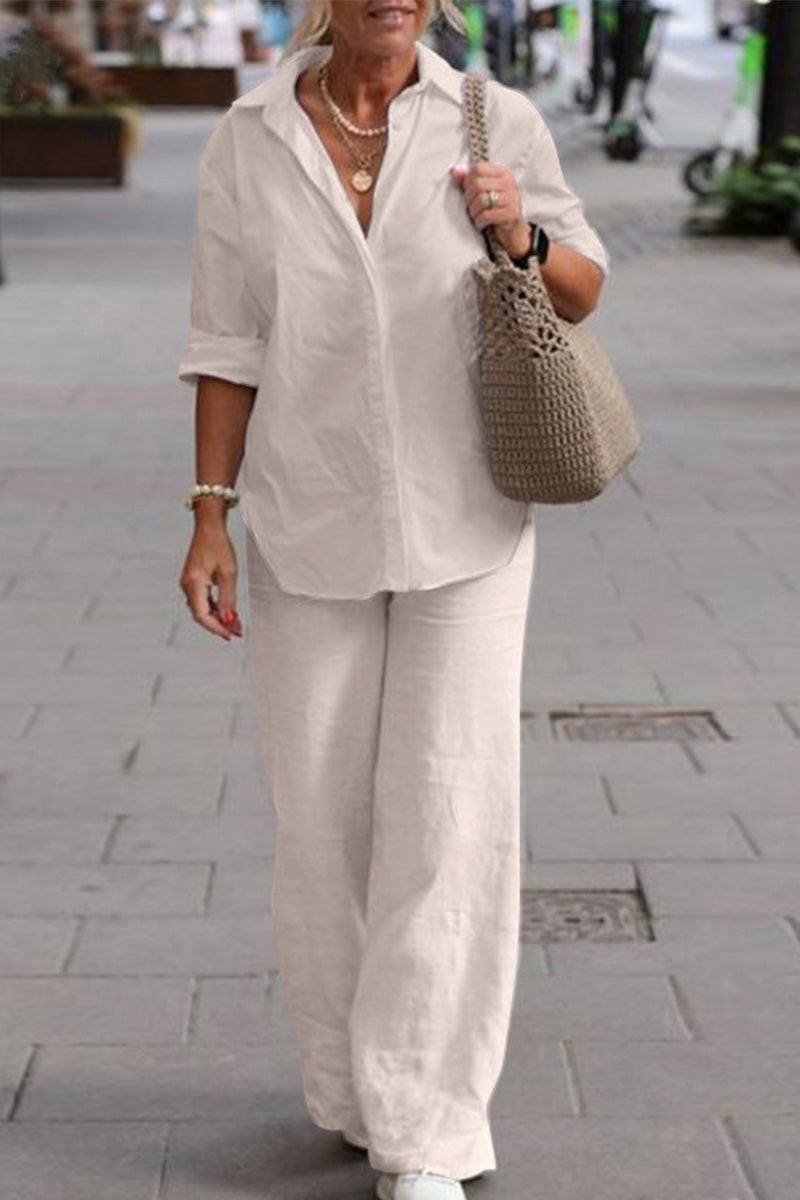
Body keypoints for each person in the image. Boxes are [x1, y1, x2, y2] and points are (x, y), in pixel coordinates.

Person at [177, 2, 609, 1196]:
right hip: (306, 517)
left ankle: (426, 1125)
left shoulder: (493, 117)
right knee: (322, 827)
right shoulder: (248, 139)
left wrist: (517, 231)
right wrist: (210, 512)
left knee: (447, 817)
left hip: (468, 517)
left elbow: (580, 288)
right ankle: (356, 1081)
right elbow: (225, 337)